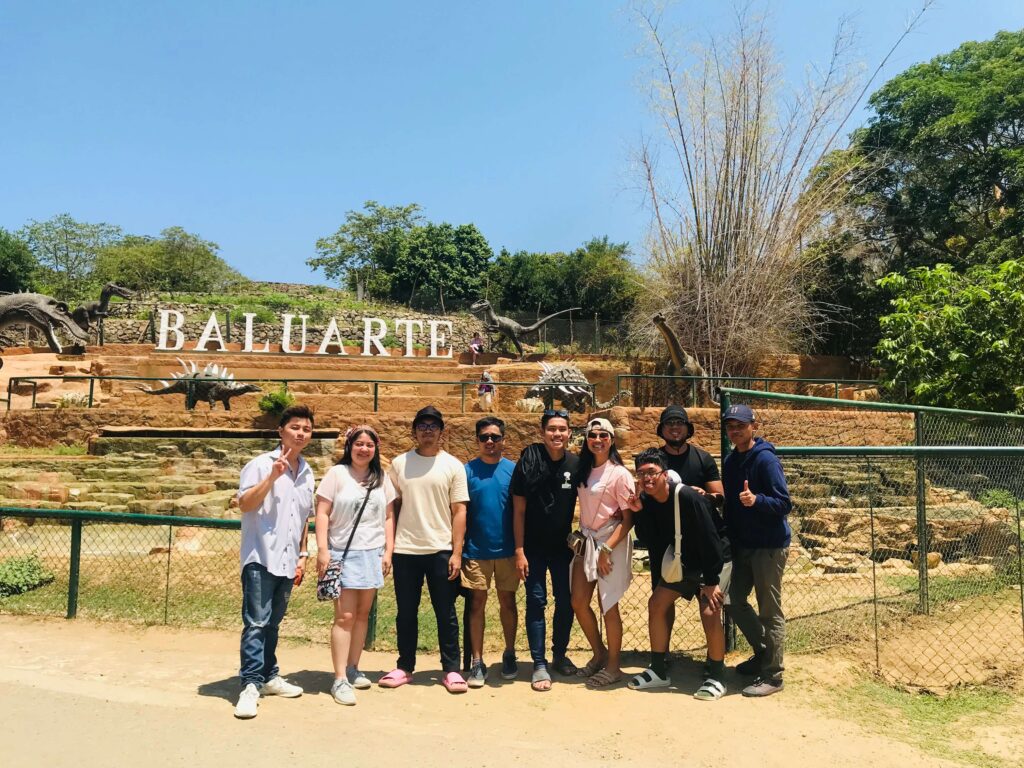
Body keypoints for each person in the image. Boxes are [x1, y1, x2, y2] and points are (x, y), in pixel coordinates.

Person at [626, 449, 731, 700]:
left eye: (652, 472)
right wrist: (639, 511)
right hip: (684, 560)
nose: (647, 478)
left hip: (714, 559)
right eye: (641, 474)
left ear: (664, 474)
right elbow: (650, 538)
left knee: (709, 609)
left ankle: (717, 675)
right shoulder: (650, 500)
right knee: (657, 603)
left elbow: (711, 540)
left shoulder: (688, 497)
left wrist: (711, 581)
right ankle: (659, 670)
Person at [380, 405, 470, 693]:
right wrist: (389, 549)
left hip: (440, 549)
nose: (427, 430)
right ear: (414, 431)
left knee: (446, 612)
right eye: (422, 425)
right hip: (406, 550)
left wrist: (456, 552)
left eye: (433, 426)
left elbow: (459, 512)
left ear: (441, 432)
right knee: (406, 612)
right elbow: (391, 508)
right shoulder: (399, 464)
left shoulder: (453, 466)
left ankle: (452, 669)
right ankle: (404, 666)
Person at [234, 404, 316, 719]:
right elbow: (245, 504)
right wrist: (272, 476)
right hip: (260, 556)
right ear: (281, 431)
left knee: (273, 624)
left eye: (307, 429)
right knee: (255, 623)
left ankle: (269, 676)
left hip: (288, 559)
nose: (301, 433)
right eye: (295, 427)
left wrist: (303, 555)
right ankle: (250, 684)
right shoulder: (259, 465)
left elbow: (302, 520)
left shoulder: (307, 473)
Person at [631, 405, 725, 667]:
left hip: (701, 539)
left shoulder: (702, 458)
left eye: (680, 423)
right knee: (661, 600)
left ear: (688, 429)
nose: (675, 427)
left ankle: (714, 666)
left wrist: (701, 497)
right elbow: (647, 508)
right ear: (661, 430)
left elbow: (719, 496)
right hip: (668, 545)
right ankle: (663, 656)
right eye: (669, 423)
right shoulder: (652, 460)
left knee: (708, 605)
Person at [314, 425, 396, 706]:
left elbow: (388, 516)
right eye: (359, 444)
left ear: (376, 449)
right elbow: (322, 512)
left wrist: (389, 550)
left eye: (369, 445)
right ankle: (339, 678)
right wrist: (322, 550)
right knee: (345, 617)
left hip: (372, 553)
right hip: (342, 553)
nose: (364, 449)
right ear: (350, 446)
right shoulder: (337, 475)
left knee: (362, 614)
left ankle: (353, 666)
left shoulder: (381, 478)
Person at [721, 404, 792, 697]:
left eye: (740, 425)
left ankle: (773, 676)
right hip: (743, 545)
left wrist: (757, 501)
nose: (735, 430)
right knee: (733, 599)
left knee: (769, 610)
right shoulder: (730, 461)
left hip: (768, 546)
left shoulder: (765, 460)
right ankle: (764, 653)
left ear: (753, 426)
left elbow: (784, 503)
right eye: (731, 426)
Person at [511, 408, 580, 692]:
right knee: (536, 602)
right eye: (551, 429)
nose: (557, 434)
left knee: (566, 601)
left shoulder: (576, 464)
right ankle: (539, 663)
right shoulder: (529, 461)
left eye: (562, 429)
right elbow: (518, 511)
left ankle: (559, 655)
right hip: (534, 549)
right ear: (542, 433)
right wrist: (519, 551)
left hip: (563, 549)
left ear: (569, 433)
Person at [570, 417, 635, 689]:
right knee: (579, 601)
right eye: (592, 435)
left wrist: (607, 549)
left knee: (608, 605)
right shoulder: (583, 469)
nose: (597, 440)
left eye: (603, 435)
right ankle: (600, 653)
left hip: (611, 544)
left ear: (612, 439)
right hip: (587, 542)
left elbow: (629, 518)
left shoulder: (619, 474)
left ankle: (614, 667)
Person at [461, 416, 519, 687]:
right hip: (476, 550)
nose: (490, 441)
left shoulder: (513, 470)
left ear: (503, 440)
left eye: (495, 437)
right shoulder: (466, 471)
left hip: (507, 549)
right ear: (477, 440)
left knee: (508, 602)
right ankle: (477, 660)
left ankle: (509, 652)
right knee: (476, 604)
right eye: (484, 437)